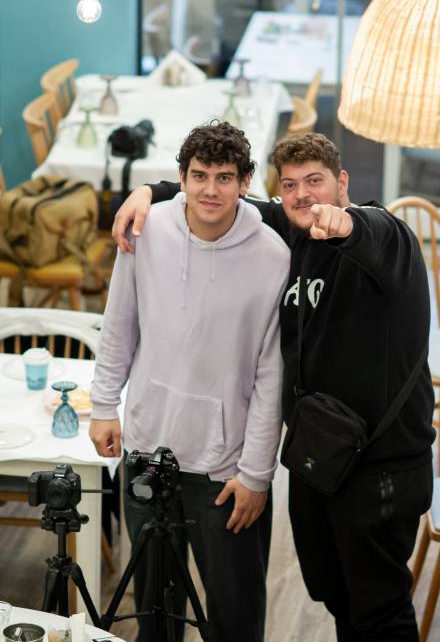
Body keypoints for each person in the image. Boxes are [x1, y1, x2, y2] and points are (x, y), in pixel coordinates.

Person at [112, 131, 436, 642]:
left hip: (381, 466)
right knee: (337, 595)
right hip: (319, 457)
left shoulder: (389, 238)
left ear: (342, 181)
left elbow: (372, 231)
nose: (304, 195)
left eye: (316, 181)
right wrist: (149, 191)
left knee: (380, 609)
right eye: (290, 185)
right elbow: (217, 195)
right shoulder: (292, 229)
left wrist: (346, 222)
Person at [89, 121, 290, 642]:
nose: (210, 190)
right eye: (199, 176)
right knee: (154, 614)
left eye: (224, 177)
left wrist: (257, 474)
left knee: (235, 617)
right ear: (181, 178)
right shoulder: (147, 229)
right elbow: (119, 323)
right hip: (146, 448)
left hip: (225, 471)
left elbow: (271, 376)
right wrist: (104, 406)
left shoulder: (273, 256)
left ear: (245, 183)